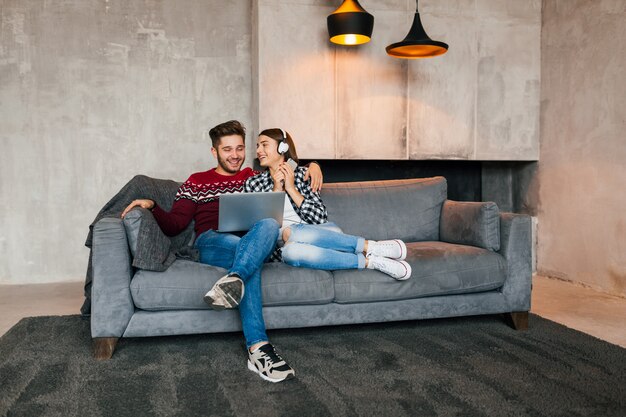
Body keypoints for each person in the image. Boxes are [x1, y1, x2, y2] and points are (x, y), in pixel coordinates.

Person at [120, 120, 323, 383]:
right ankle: (259, 347)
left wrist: (314, 166)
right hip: (212, 241)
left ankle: (234, 279)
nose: (235, 155)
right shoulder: (197, 182)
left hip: (252, 240)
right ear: (215, 152)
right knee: (245, 251)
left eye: (240, 148)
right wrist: (152, 206)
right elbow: (175, 224)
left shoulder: (254, 177)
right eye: (228, 149)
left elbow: (284, 168)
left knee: (269, 223)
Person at [245, 128, 412, 280]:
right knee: (290, 251)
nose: (258, 150)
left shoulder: (304, 174)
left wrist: (291, 188)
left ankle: (368, 246)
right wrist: (277, 188)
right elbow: (261, 229)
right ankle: (371, 260)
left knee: (290, 232)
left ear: (282, 148)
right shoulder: (253, 183)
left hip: (325, 234)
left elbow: (320, 217)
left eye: (264, 145)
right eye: (258, 146)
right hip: (284, 247)